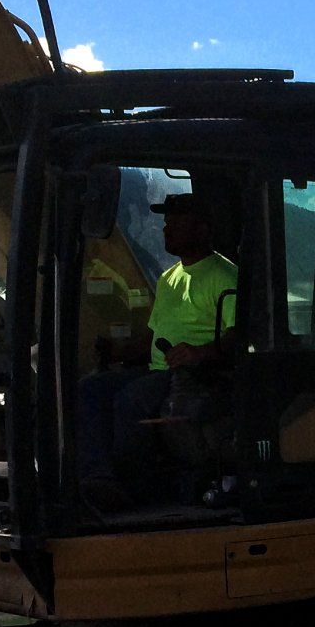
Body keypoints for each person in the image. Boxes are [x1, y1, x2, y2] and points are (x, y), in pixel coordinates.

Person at [79, 193, 237, 507]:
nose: (167, 228)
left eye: (177, 221)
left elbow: (240, 333)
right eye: (167, 221)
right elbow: (154, 336)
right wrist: (118, 352)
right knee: (89, 390)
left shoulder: (224, 275)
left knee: (130, 400)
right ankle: (98, 477)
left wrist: (199, 352)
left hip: (196, 376)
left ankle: (137, 490)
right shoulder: (169, 278)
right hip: (158, 369)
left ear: (203, 230)